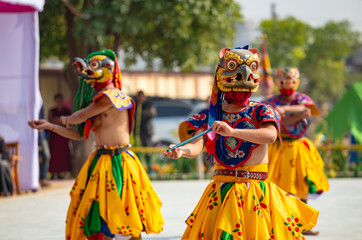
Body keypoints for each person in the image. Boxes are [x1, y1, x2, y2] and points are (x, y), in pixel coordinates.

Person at [164, 46, 319, 239]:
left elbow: (270, 135)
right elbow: (197, 145)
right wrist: (181, 151)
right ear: (221, 77)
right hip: (222, 192)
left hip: (256, 191)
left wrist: (233, 131)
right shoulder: (211, 114)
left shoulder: (261, 111)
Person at [29, 50, 164, 240]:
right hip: (101, 163)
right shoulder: (97, 101)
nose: (88, 78)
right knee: (102, 221)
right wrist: (50, 126)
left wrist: (68, 118)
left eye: (92, 70)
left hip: (119, 163)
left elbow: (82, 115)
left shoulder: (113, 96)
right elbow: (79, 133)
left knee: (127, 221)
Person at [264, 67, 329, 235]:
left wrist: (286, 111)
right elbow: (280, 119)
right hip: (278, 147)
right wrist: (297, 114)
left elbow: (311, 110)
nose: (287, 84)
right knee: (276, 187)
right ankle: (276, 224)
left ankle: (302, 224)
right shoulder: (272, 101)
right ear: (279, 82)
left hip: (299, 147)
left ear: (296, 81)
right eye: (284, 81)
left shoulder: (301, 98)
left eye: (291, 81)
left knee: (302, 185)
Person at [48, 93, 72, 179]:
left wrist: (58, 121)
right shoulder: (52, 111)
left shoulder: (66, 111)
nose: (59, 102)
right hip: (54, 136)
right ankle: (54, 173)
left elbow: (69, 121)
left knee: (63, 154)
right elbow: (50, 121)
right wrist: (60, 121)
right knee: (54, 155)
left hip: (64, 136)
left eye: (60, 101)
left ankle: (63, 173)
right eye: (57, 101)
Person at [134, 91, 156, 172]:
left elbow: (151, 114)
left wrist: (141, 114)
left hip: (147, 131)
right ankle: (138, 166)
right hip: (137, 131)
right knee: (137, 148)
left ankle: (150, 167)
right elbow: (134, 115)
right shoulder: (136, 104)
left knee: (148, 149)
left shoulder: (148, 104)